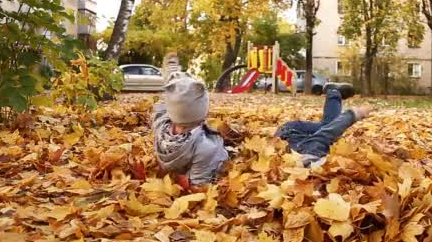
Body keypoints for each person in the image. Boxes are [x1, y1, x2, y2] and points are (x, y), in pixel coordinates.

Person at [152, 71, 372, 187]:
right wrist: (355, 114)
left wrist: (177, 86)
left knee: (325, 128)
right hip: (287, 136)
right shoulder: (202, 148)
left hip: (284, 140)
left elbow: (162, 109)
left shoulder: (162, 126)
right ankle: (333, 93)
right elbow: (328, 134)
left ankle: (333, 93)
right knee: (326, 128)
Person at [275, 83, 371, 167]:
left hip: (290, 130)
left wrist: (354, 114)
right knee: (327, 126)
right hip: (295, 139)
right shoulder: (311, 157)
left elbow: (329, 132)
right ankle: (334, 92)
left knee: (329, 126)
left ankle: (333, 92)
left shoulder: (312, 150)